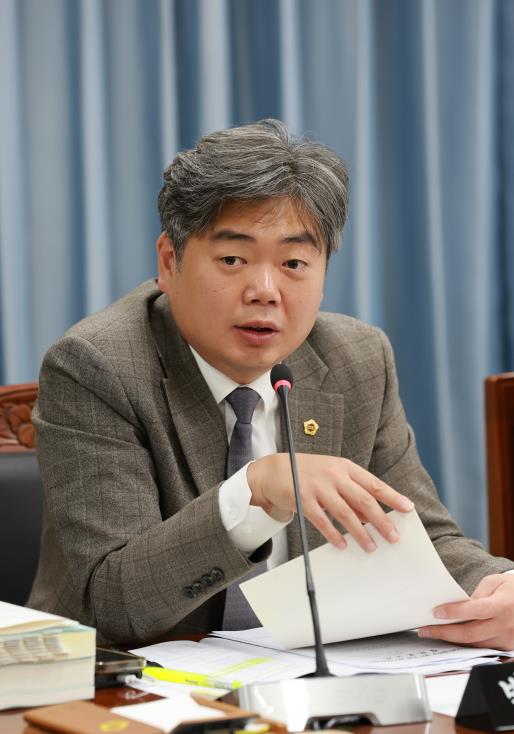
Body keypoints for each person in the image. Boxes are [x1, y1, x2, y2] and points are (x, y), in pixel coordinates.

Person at [28, 119, 514, 648]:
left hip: (310, 676)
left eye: (294, 262)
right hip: (129, 682)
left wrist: (496, 584)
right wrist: (253, 491)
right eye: (233, 259)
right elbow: (114, 603)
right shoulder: (98, 366)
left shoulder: (356, 359)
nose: (264, 290)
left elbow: (422, 538)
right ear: (170, 262)